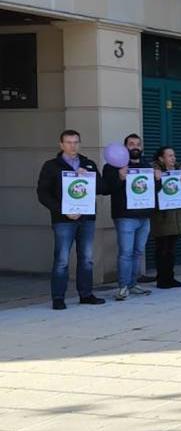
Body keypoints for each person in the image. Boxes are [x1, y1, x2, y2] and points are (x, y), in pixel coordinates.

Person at [36, 130, 106, 309]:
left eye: (75, 142)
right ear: (61, 145)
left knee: (87, 258)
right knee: (62, 259)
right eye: (68, 142)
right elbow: (43, 193)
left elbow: (102, 188)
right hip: (63, 219)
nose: (72, 146)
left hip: (87, 217)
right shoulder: (51, 166)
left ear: (79, 143)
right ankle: (58, 298)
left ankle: (86, 294)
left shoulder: (88, 164)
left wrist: (89, 177)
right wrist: (62, 210)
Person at [100, 133, 155, 301]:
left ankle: (133, 284)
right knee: (126, 252)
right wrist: (120, 178)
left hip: (144, 216)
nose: (135, 146)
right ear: (125, 148)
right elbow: (106, 189)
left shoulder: (147, 165)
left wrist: (158, 180)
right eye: (131, 144)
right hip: (125, 216)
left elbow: (154, 190)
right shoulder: (112, 166)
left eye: (138, 144)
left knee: (138, 252)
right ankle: (123, 286)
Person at [150, 146, 181, 289]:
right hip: (161, 216)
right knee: (162, 248)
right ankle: (162, 278)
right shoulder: (153, 171)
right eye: (170, 156)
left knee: (171, 249)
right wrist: (157, 179)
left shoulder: (179, 170)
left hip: (176, 214)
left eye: (174, 155)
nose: (173, 158)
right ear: (161, 158)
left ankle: (170, 277)